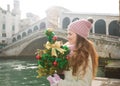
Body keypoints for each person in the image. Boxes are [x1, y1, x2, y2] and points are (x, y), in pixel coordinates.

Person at [47, 18, 98, 86]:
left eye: (70, 34)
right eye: (67, 34)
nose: (67, 37)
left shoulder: (84, 56)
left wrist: (58, 82)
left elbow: (85, 84)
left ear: (79, 36)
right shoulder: (66, 49)